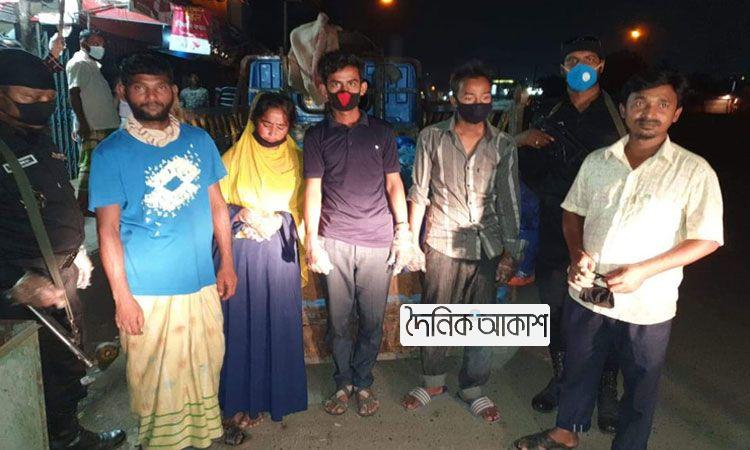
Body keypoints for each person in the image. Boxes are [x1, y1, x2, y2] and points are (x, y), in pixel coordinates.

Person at [514, 69, 723, 450]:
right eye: (640, 103)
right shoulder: (598, 161)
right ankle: (566, 431)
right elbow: (572, 211)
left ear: (676, 113)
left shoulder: (694, 171)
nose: (650, 112)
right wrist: (577, 254)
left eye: (662, 104)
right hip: (588, 293)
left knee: (641, 384)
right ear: (624, 110)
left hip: (647, 303)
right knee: (578, 366)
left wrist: (644, 271)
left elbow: (707, 238)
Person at [90, 53, 237, 450]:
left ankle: (199, 439)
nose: (151, 96)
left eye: (159, 88)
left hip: (201, 282)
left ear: (174, 92)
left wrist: (227, 262)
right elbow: (107, 231)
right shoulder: (110, 154)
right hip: (147, 292)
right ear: (123, 92)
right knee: (154, 380)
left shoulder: (199, 141)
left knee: (204, 369)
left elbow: (218, 206)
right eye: (141, 87)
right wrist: (122, 298)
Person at [0, 48, 126, 450]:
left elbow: (56, 199)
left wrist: (78, 250)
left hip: (61, 275)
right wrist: (15, 281)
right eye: (27, 98)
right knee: (32, 374)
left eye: (48, 99)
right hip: (22, 289)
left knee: (65, 364)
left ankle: (68, 434)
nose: (40, 106)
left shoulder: (40, 136)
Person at [399, 61, 523, 423]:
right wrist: (412, 243)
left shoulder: (503, 144)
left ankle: (473, 387)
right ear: (455, 99)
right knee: (436, 313)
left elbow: (510, 200)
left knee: (481, 317)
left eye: (485, 96)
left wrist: (511, 251)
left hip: (487, 244)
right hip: (442, 240)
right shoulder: (432, 137)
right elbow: (419, 193)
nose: (478, 103)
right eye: (470, 96)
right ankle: (433, 381)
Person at [515, 35, 626, 432]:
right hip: (554, 226)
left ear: (600, 66)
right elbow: (528, 169)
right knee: (555, 310)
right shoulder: (549, 111)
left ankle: (606, 391)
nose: (581, 66)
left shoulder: (619, 113)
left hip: (604, 231)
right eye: (572, 60)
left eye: (589, 59)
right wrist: (526, 144)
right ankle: (561, 379)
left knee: (606, 313)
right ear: (563, 68)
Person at [303, 50, 413, 417]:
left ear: (363, 88)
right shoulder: (317, 136)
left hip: (377, 240)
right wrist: (313, 242)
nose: (344, 91)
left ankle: (363, 381)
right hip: (335, 239)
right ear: (324, 89)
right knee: (338, 320)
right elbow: (313, 190)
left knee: (371, 319)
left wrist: (403, 230)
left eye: (351, 84)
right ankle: (342, 382)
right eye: (336, 85)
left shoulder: (382, 132)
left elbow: (394, 184)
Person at [216, 92, 307, 444]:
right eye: (267, 124)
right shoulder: (232, 158)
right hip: (241, 253)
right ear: (254, 122)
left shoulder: (298, 161)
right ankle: (238, 400)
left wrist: (282, 219)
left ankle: (271, 399)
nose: (272, 132)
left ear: (290, 127)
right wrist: (237, 213)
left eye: (281, 126)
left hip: (279, 254)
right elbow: (213, 205)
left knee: (276, 323)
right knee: (240, 325)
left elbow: (306, 206)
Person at [66, 29, 119, 213]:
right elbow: (74, 94)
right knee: (89, 166)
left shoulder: (92, 65)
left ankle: (93, 203)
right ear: (84, 44)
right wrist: (82, 123)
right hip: (94, 125)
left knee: (100, 167)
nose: (100, 47)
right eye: (96, 43)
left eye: (102, 44)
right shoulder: (79, 63)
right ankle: (82, 205)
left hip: (105, 123)